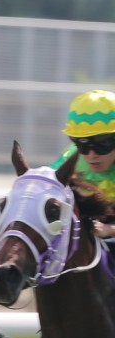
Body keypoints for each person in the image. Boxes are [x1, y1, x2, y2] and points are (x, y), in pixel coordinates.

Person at [56, 89, 115, 239]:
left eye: (102, 144)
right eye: (82, 145)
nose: (91, 155)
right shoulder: (71, 159)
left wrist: (110, 229)